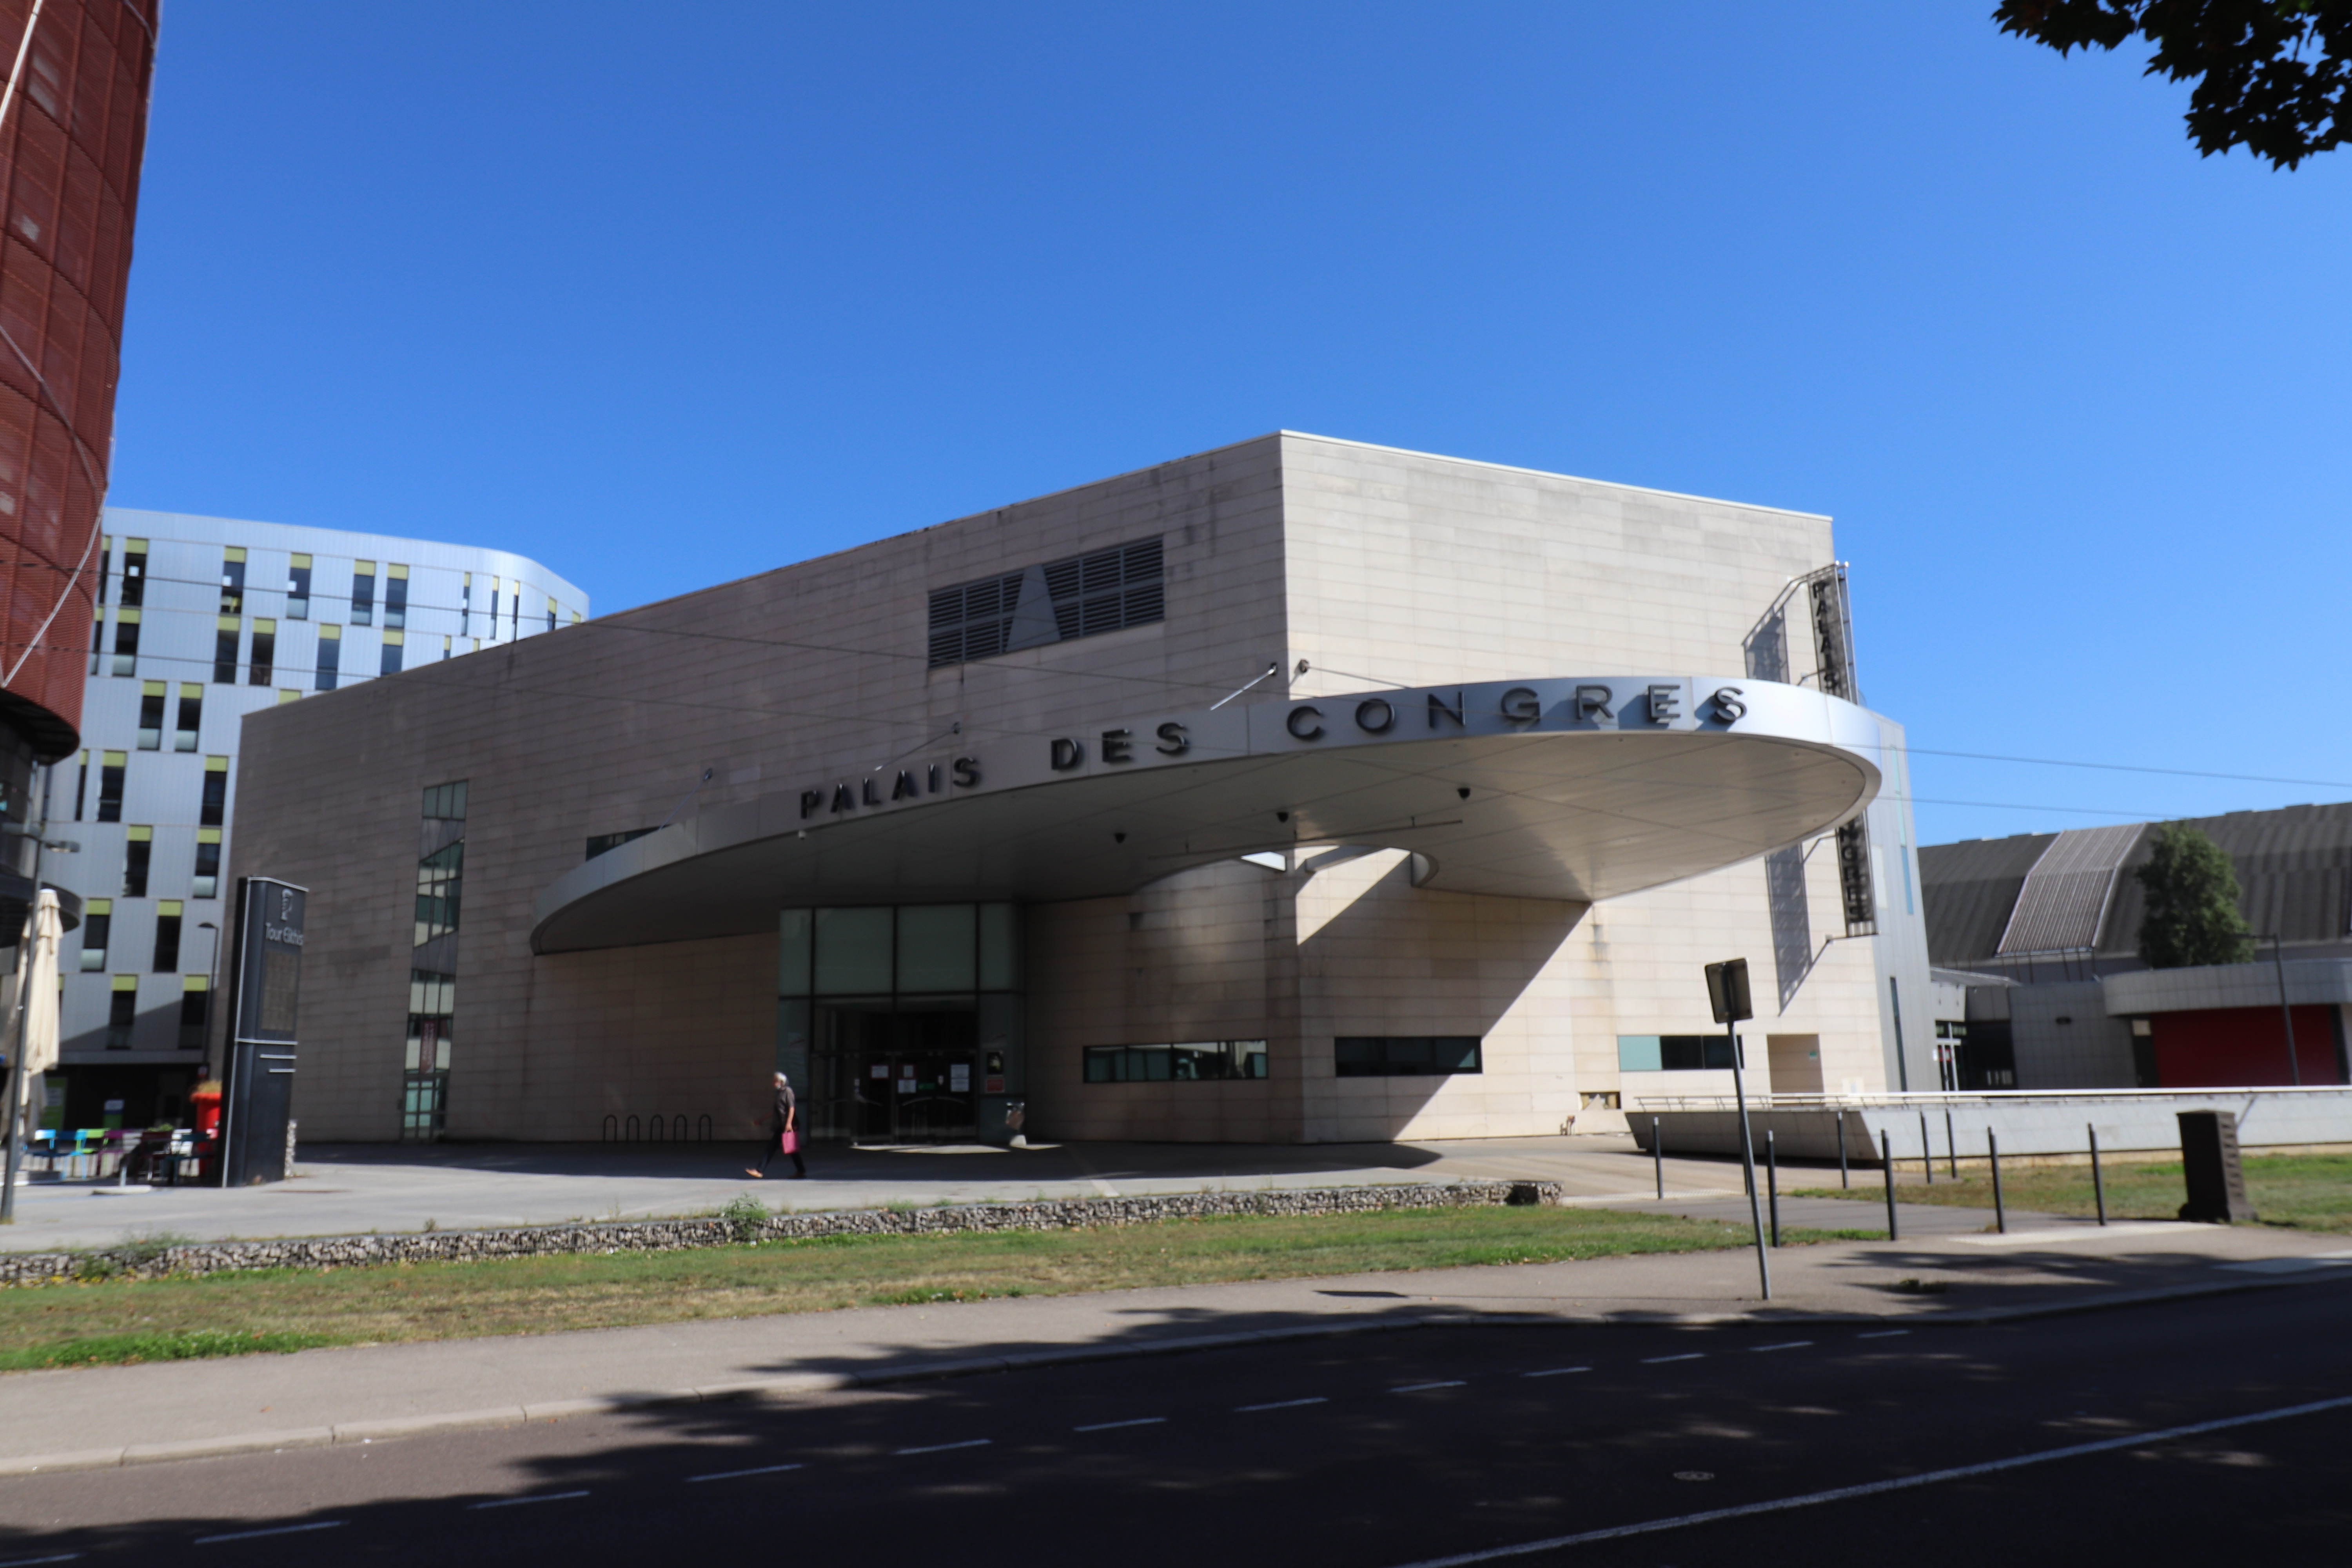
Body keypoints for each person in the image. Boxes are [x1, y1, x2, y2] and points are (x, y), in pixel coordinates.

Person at [746, 1071, 806, 1178]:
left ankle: (760, 1170)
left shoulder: (788, 1091)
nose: (773, 1083)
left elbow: (792, 1108)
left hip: (787, 1126)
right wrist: (762, 1120)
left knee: (773, 1148)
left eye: (775, 1081)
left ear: (780, 1082)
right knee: (792, 1149)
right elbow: (775, 1110)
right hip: (781, 1125)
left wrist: (789, 1124)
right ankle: (801, 1171)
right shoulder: (779, 1094)